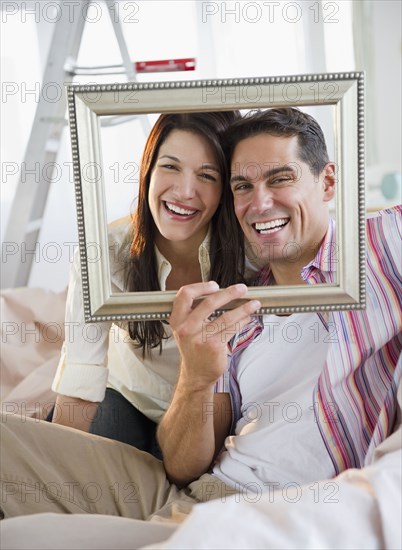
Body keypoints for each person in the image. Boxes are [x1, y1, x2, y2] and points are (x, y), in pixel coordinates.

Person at [1, 108, 401, 549]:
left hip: (264, 513)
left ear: (327, 183)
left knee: (23, 538)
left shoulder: (384, 241)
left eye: (280, 178)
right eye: (243, 186)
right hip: (192, 485)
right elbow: (183, 465)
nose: (260, 202)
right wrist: (196, 375)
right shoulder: (239, 298)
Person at [48, 111, 244, 457]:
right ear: (147, 171)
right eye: (170, 166)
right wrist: (59, 471)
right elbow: (82, 373)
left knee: (188, 475)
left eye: (207, 175)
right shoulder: (102, 251)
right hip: (127, 394)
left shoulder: (250, 255)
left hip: (205, 401)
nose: (185, 191)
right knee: (87, 471)